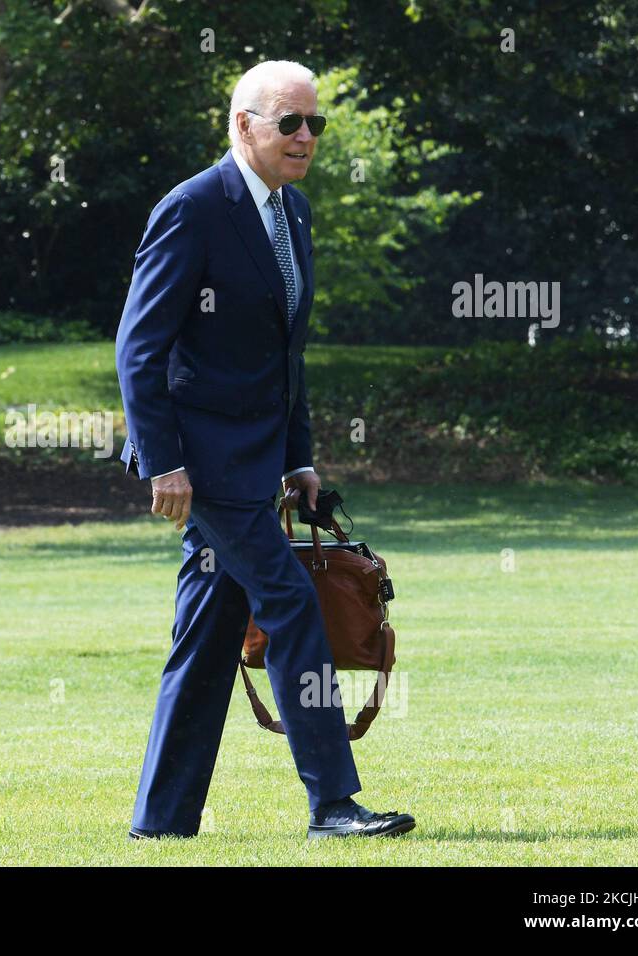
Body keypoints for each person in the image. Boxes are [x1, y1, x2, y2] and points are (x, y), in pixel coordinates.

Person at [115, 60, 415, 840]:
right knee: (288, 602)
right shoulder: (191, 209)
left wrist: (299, 459)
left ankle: (161, 820)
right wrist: (163, 460)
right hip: (204, 465)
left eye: (316, 124)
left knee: (207, 637)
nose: (306, 137)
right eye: (291, 123)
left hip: (257, 461)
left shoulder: (295, 213)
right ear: (242, 125)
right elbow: (138, 349)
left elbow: (286, 354)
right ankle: (334, 805)